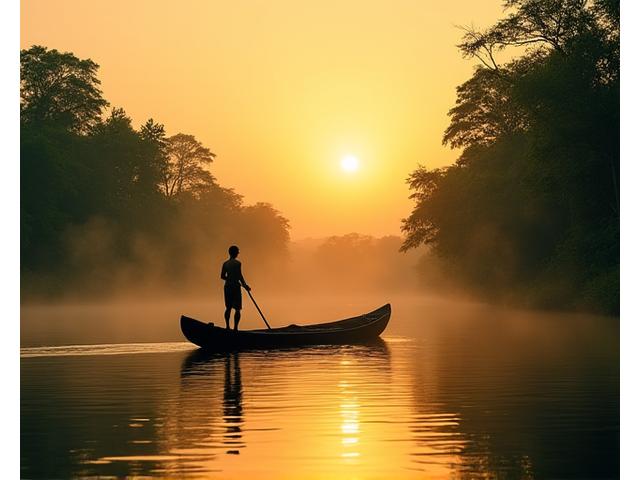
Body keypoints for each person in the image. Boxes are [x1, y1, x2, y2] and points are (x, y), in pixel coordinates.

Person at [220, 245, 251, 331]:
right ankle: (235, 329)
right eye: (237, 252)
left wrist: (229, 279)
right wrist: (245, 285)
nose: (238, 253)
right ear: (235, 253)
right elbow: (240, 276)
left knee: (228, 307)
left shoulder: (225, 264)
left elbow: (222, 276)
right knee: (237, 309)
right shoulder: (238, 263)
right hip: (235, 287)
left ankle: (227, 327)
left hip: (227, 287)